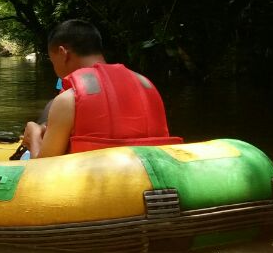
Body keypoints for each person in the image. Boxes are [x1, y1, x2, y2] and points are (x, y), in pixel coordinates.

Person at [21, 19, 181, 159]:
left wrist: (34, 136)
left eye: (53, 61)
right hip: (146, 181)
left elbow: (43, 168)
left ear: (63, 53)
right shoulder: (146, 84)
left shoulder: (68, 99)